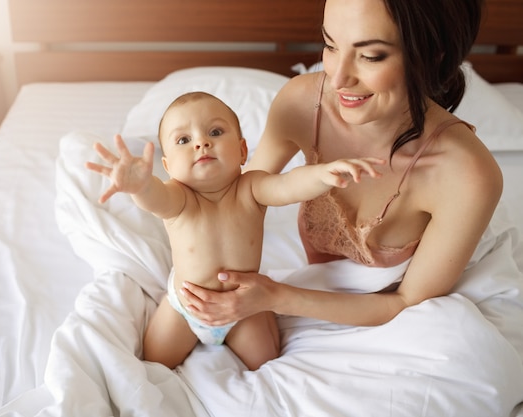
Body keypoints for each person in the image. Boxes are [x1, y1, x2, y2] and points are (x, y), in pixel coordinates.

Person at [177, 0, 503, 330]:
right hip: (305, 297)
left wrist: (274, 297)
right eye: (330, 45)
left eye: (370, 56)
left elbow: (407, 302)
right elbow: (238, 198)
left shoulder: (466, 175)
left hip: (395, 319)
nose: (338, 79)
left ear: (435, 56)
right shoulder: (303, 106)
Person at [86, 91, 383, 370]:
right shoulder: (178, 197)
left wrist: (323, 174)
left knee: (265, 360)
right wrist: (140, 186)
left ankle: (265, 312)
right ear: (168, 165)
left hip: (244, 306)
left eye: (215, 132)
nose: (201, 143)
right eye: (183, 140)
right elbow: (155, 198)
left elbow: (289, 185)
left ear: (242, 150)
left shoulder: (250, 188)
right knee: (155, 361)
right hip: (187, 309)